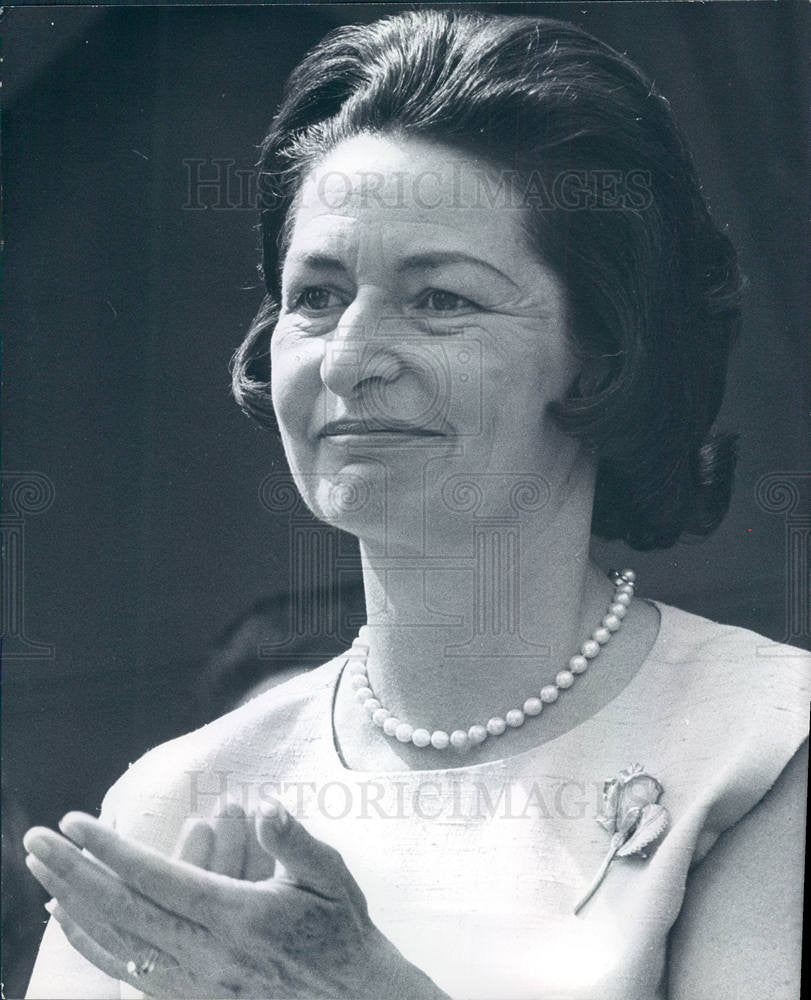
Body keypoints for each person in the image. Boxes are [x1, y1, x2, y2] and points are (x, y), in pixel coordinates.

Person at [23, 11, 808, 999]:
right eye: (315, 296)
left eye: (439, 299)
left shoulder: (767, 744)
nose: (349, 357)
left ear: (601, 351)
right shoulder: (173, 797)